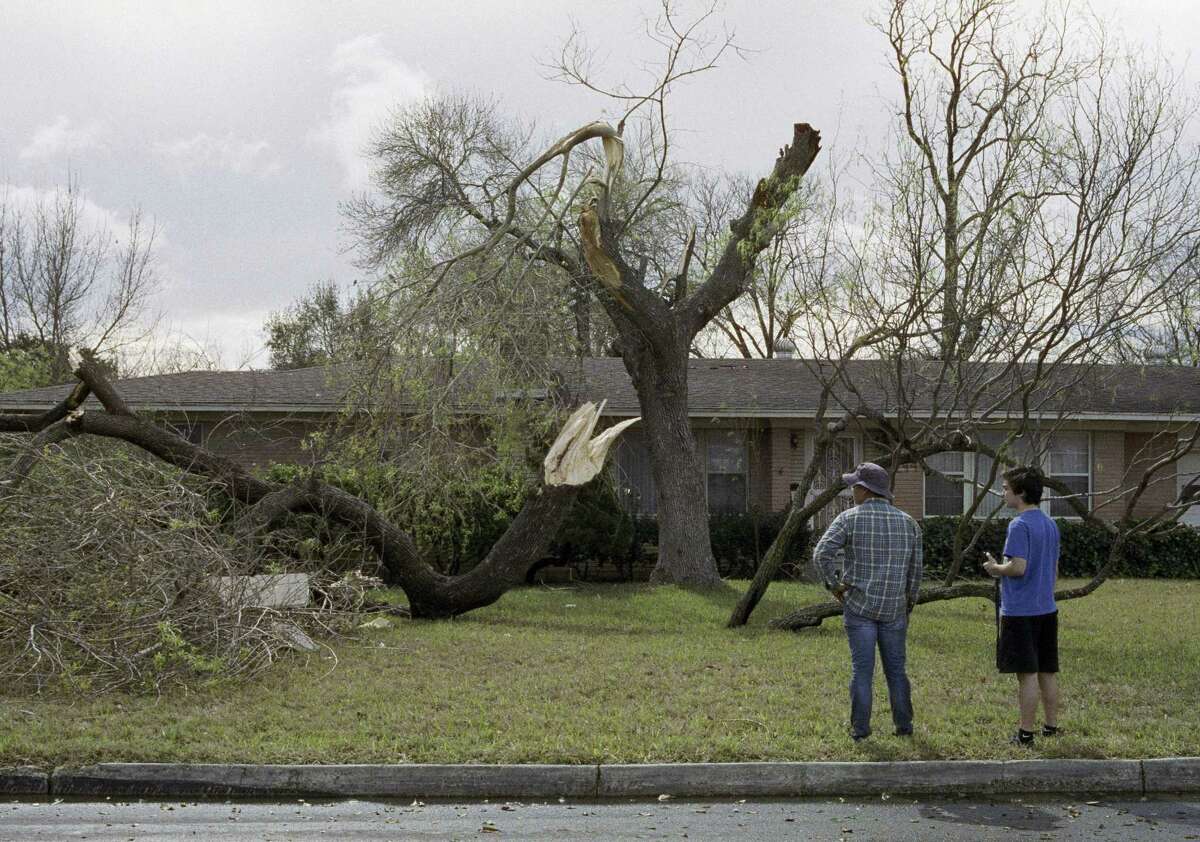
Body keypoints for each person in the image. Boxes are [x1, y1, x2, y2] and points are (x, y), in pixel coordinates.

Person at [814, 462, 923, 741]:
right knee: (896, 671)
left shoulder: (848, 518)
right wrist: (908, 604)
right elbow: (915, 573)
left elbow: (821, 554)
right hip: (893, 608)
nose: (852, 491)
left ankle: (860, 730)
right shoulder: (909, 523)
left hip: (859, 606)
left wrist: (834, 585)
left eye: (854, 486)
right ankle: (904, 727)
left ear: (864, 490)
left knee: (862, 671)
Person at [982, 466, 1061, 747]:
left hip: (1020, 611)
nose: (1002, 492)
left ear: (1021, 492)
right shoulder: (1050, 524)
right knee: (1047, 671)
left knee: (1026, 674)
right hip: (1046, 608)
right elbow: (1053, 570)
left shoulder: (1019, 525)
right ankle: (1051, 726)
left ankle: (1025, 734)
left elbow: (1017, 567)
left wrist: (994, 568)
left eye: (1005, 488)